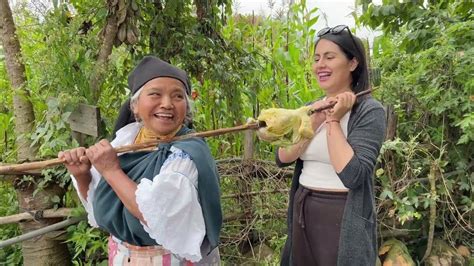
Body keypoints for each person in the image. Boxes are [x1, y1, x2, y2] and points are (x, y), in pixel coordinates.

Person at [59, 56, 222, 265]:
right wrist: (82, 176)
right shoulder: (124, 140)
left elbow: (159, 214)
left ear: (186, 107)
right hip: (121, 256)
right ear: (135, 105)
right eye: (155, 94)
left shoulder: (186, 155)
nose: (167, 104)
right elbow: (104, 204)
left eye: (177, 96)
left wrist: (111, 171)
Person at [276, 25, 386, 266]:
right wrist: (313, 120)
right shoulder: (311, 107)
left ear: (352, 63)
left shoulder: (369, 111)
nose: (320, 65)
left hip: (342, 214)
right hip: (304, 207)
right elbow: (283, 157)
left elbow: (353, 175)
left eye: (329, 57)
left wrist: (334, 119)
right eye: (316, 58)